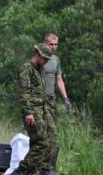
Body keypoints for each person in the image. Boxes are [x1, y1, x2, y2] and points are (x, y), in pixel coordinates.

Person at [12, 44, 54, 175]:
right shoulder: (26, 68)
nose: (46, 62)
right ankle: (21, 171)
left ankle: (31, 172)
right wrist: (28, 112)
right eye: (45, 59)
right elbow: (24, 92)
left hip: (40, 112)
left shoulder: (38, 70)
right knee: (42, 143)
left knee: (37, 143)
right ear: (38, 55)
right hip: (32, 113)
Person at [42, 33, 71, 173]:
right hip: (39, 101)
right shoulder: (39, 58)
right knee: (48, 133)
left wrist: (66, 99)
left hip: (51, 99)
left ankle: (48, 165)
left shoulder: (56, 60)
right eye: (50, 44)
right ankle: (45, 166)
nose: (53, 47)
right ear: (45, 44)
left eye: (55, 44)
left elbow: (59, 80)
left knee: (52, 133)